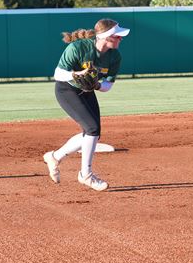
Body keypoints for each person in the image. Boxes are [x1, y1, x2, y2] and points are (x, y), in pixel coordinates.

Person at [43, 18, 130, 191]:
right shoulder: (78, 48)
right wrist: (77, 74)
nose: (121, 38)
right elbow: (58, 74)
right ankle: (86, 175)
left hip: (87, 90)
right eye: (117, 36)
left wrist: (97, 85)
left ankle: (54, 157)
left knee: (93, 134)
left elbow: (108, 86)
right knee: (92, 129)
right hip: (66, 89)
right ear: (106, 37)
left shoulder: (114, 57)